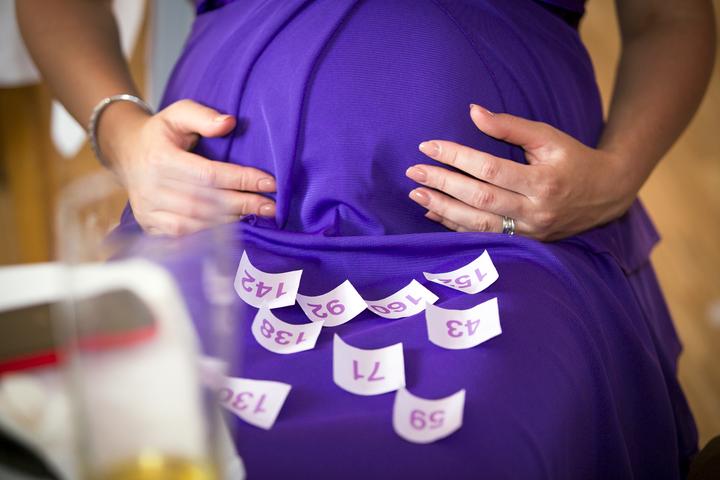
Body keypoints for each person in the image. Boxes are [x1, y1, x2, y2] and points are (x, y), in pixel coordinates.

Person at [18, 0, 715, 478]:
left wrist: (617, 175)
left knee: (502, 440)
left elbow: (670, 16)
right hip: (215, 225)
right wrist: (123, 137)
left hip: (515, 240)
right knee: (147, 433)